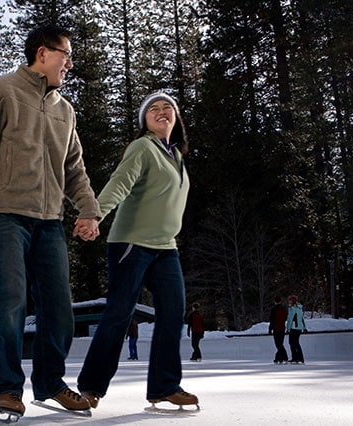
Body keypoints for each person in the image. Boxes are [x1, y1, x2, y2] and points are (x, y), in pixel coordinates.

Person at [0, 25, 101, 418]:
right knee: (10, 302)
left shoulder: (64, 111)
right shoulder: (2, 91)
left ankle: (51, 383)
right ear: (42, 53)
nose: (69, 63)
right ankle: (6, 389)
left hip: (49, 221)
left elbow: (74, 169)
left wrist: (89, 209)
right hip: (3, 217)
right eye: (65, 54)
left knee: (59, 307)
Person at [77, 91, 198, 410]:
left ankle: (164, 385)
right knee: (119, 314)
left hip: (165, 247)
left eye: (167, 107)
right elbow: (120, 182)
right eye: (153, 109)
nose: (161, 111)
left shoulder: (177, 156)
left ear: (176, 118)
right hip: (132, 243)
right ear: (144, 120)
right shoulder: (142, 147)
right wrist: (94, 214)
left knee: (173, 313)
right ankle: (91, 387)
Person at [286, 295, 307, 364]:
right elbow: (302, 318)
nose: (288, 301)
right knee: (296, 343)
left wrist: (288, 328)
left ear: (292, 301)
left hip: (294, 327)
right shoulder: (299, 308)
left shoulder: (292, 308)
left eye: (290, 300)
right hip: (299, 327)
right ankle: (300, 358)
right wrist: (304, 327)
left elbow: (290, 319)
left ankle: (295, 358)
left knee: (292, 342)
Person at [268, 296, 289, 364]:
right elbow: (286, 317)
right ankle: (278, 358)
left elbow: (272, 320)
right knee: (280, 344)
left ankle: (284, 357)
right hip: (282, 328)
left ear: (275, 301)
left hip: (276, 328)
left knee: (278, 344)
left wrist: (270, 329)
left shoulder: (274, 309)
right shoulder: (284, 309)